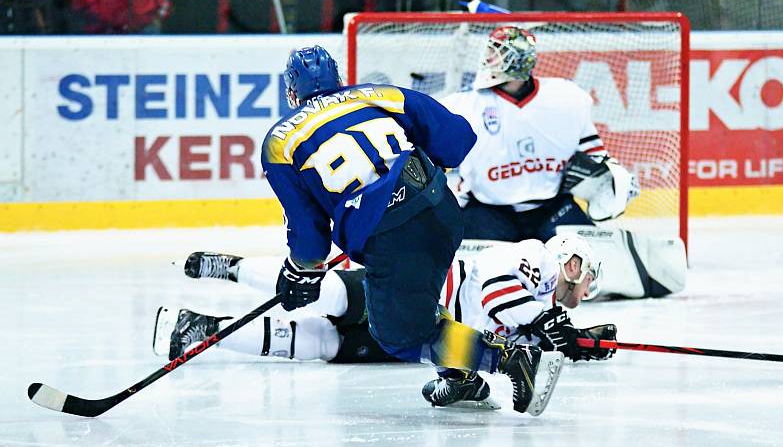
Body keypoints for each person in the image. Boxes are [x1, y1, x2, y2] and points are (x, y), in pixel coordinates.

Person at [247, 44, 565, 416]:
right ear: (340, 80)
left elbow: (308, 232)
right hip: (442, 210)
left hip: (392, 237)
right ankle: (459, 378)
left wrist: (300, 270)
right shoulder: (379, 95)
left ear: (291, 93)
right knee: (419, 309)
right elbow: (456, 138)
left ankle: (510, 360)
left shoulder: (279, 142)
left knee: (400, 335)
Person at [153, 235, 617, 410]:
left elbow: (504, 331)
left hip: (421, 338)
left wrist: (575, 342)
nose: (581, 298)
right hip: (417, 292)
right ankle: (230, 267)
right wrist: (546, 322)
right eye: (584, 282)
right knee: (326, 293)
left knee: (321, 345)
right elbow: (494, 298)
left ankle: (204, 330)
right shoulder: (535, 257)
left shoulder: (538, 311)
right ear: (573, 264)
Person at [441, 26, 686, 299]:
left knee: (589, 271)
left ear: (519, 61)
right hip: (488, 212)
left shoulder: (565, 98)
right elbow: (438, 160)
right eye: (490, 52)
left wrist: (613, 181)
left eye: (498, 54)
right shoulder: (463, 105)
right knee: (467, 280)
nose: (489, 60)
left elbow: (595, 155)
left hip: (552, 208)